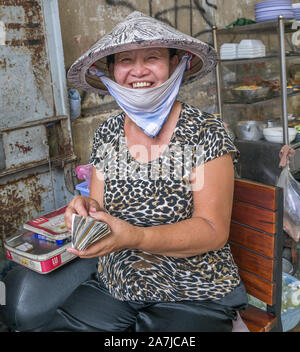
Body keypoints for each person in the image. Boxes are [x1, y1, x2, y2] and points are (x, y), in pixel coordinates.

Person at [42, 11, 248, 332]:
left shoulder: (206, 131)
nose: (138, 71)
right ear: (111, 71)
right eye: (125, 60)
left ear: (175, 64)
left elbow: (212, 229)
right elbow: (97, 207)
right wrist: (83, 211)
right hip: (117, 283)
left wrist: (136, 237)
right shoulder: (106, 132)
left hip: (193, 290)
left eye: (152, 57)